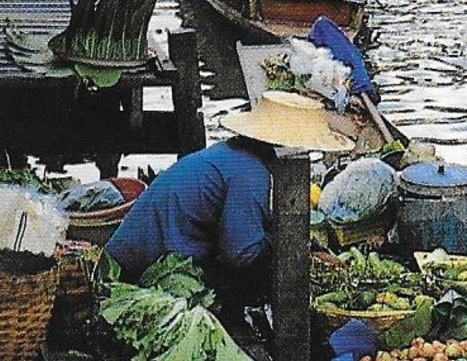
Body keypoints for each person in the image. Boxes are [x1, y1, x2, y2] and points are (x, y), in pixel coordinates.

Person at [104, 91, 350, 292]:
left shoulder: (232, 154)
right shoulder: (250, 172)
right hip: (137, 268)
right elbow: (241, 253)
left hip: (143, 249)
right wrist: (290, 242)